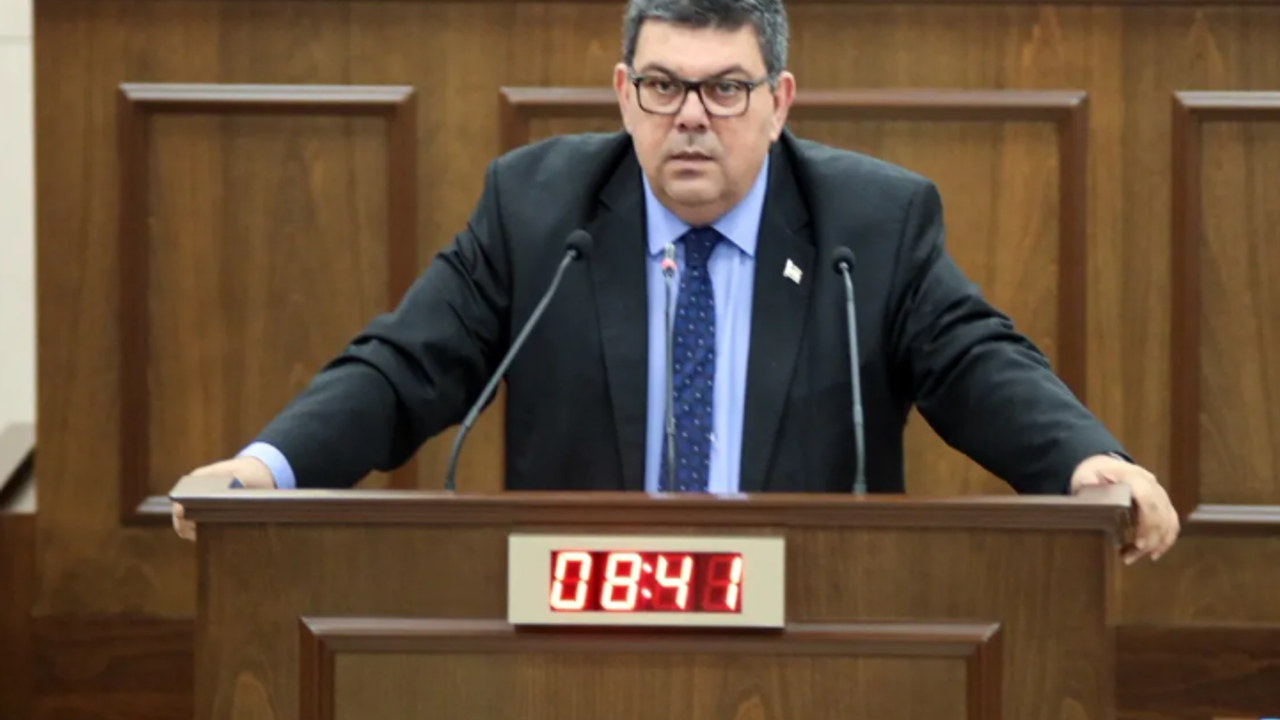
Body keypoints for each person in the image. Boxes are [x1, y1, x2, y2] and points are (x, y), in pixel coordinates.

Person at [171, 0, 1179, 564]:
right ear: (624, 94)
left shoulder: (868, 223)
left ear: (778, 102)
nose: (690, 116)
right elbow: (404, 367)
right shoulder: (538, 210)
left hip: (811, 620)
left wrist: (1088, 465)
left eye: (725, 88)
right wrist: (264, 471)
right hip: (579, 616)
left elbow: (973, 360)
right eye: (662, 85)